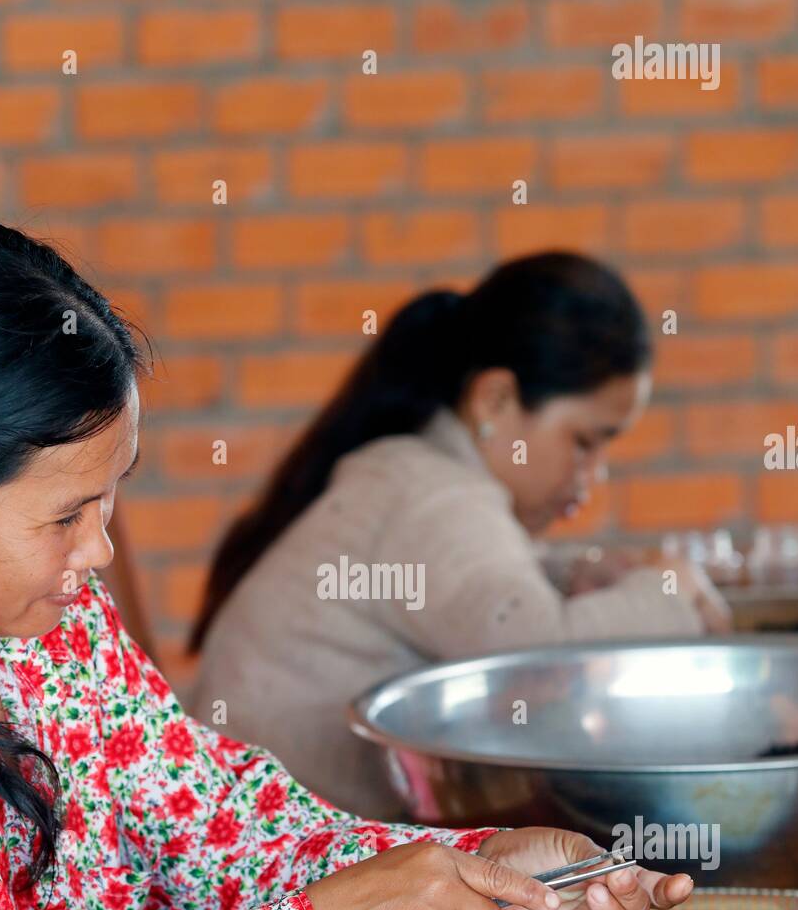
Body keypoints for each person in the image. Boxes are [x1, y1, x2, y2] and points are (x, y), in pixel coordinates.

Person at [0, 223, 695, 910]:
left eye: (112, 502)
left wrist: (473, 866)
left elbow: (214, 827)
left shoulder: (53, 636)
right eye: (65, 516)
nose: (100, 550)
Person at [188, 252, 732, 818]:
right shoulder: (435, 496)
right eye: (585, 442)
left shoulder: (417, 473)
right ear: (495, 400)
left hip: (262, 826)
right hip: (258, 858)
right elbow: (534, 655)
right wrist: (668, 591)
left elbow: (477, 594)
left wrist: (567, 575)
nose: (595, 474)